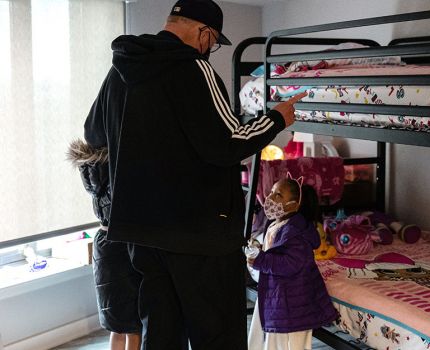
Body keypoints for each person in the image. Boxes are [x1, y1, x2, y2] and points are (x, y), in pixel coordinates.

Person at [82, 0, 306, 348]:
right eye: (212, 41)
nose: (209, 49)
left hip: (141, 232)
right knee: (216, 333)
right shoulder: (194, 70)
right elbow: (228, 142)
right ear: (203, 33)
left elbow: (94, 134)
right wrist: (277, 118)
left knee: (160, 330)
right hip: (199, 234)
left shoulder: (120, 71)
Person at [246, 176, 338, 350]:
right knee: (271, 337)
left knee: (292, 343)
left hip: (293, 301)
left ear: (294, 205)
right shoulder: (276, 224)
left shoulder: (297, 233)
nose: (271, 198)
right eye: (272, 192)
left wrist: (261, 260)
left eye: (278, 195)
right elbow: (276, 252)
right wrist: (260, 250)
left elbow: (291, 263)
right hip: (276, 292)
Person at [67, 140, 142, 350]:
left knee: (116, 327)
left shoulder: (93, 173)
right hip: (122, 244)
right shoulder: (119, 172)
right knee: (133, 327)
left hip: (103, 243)